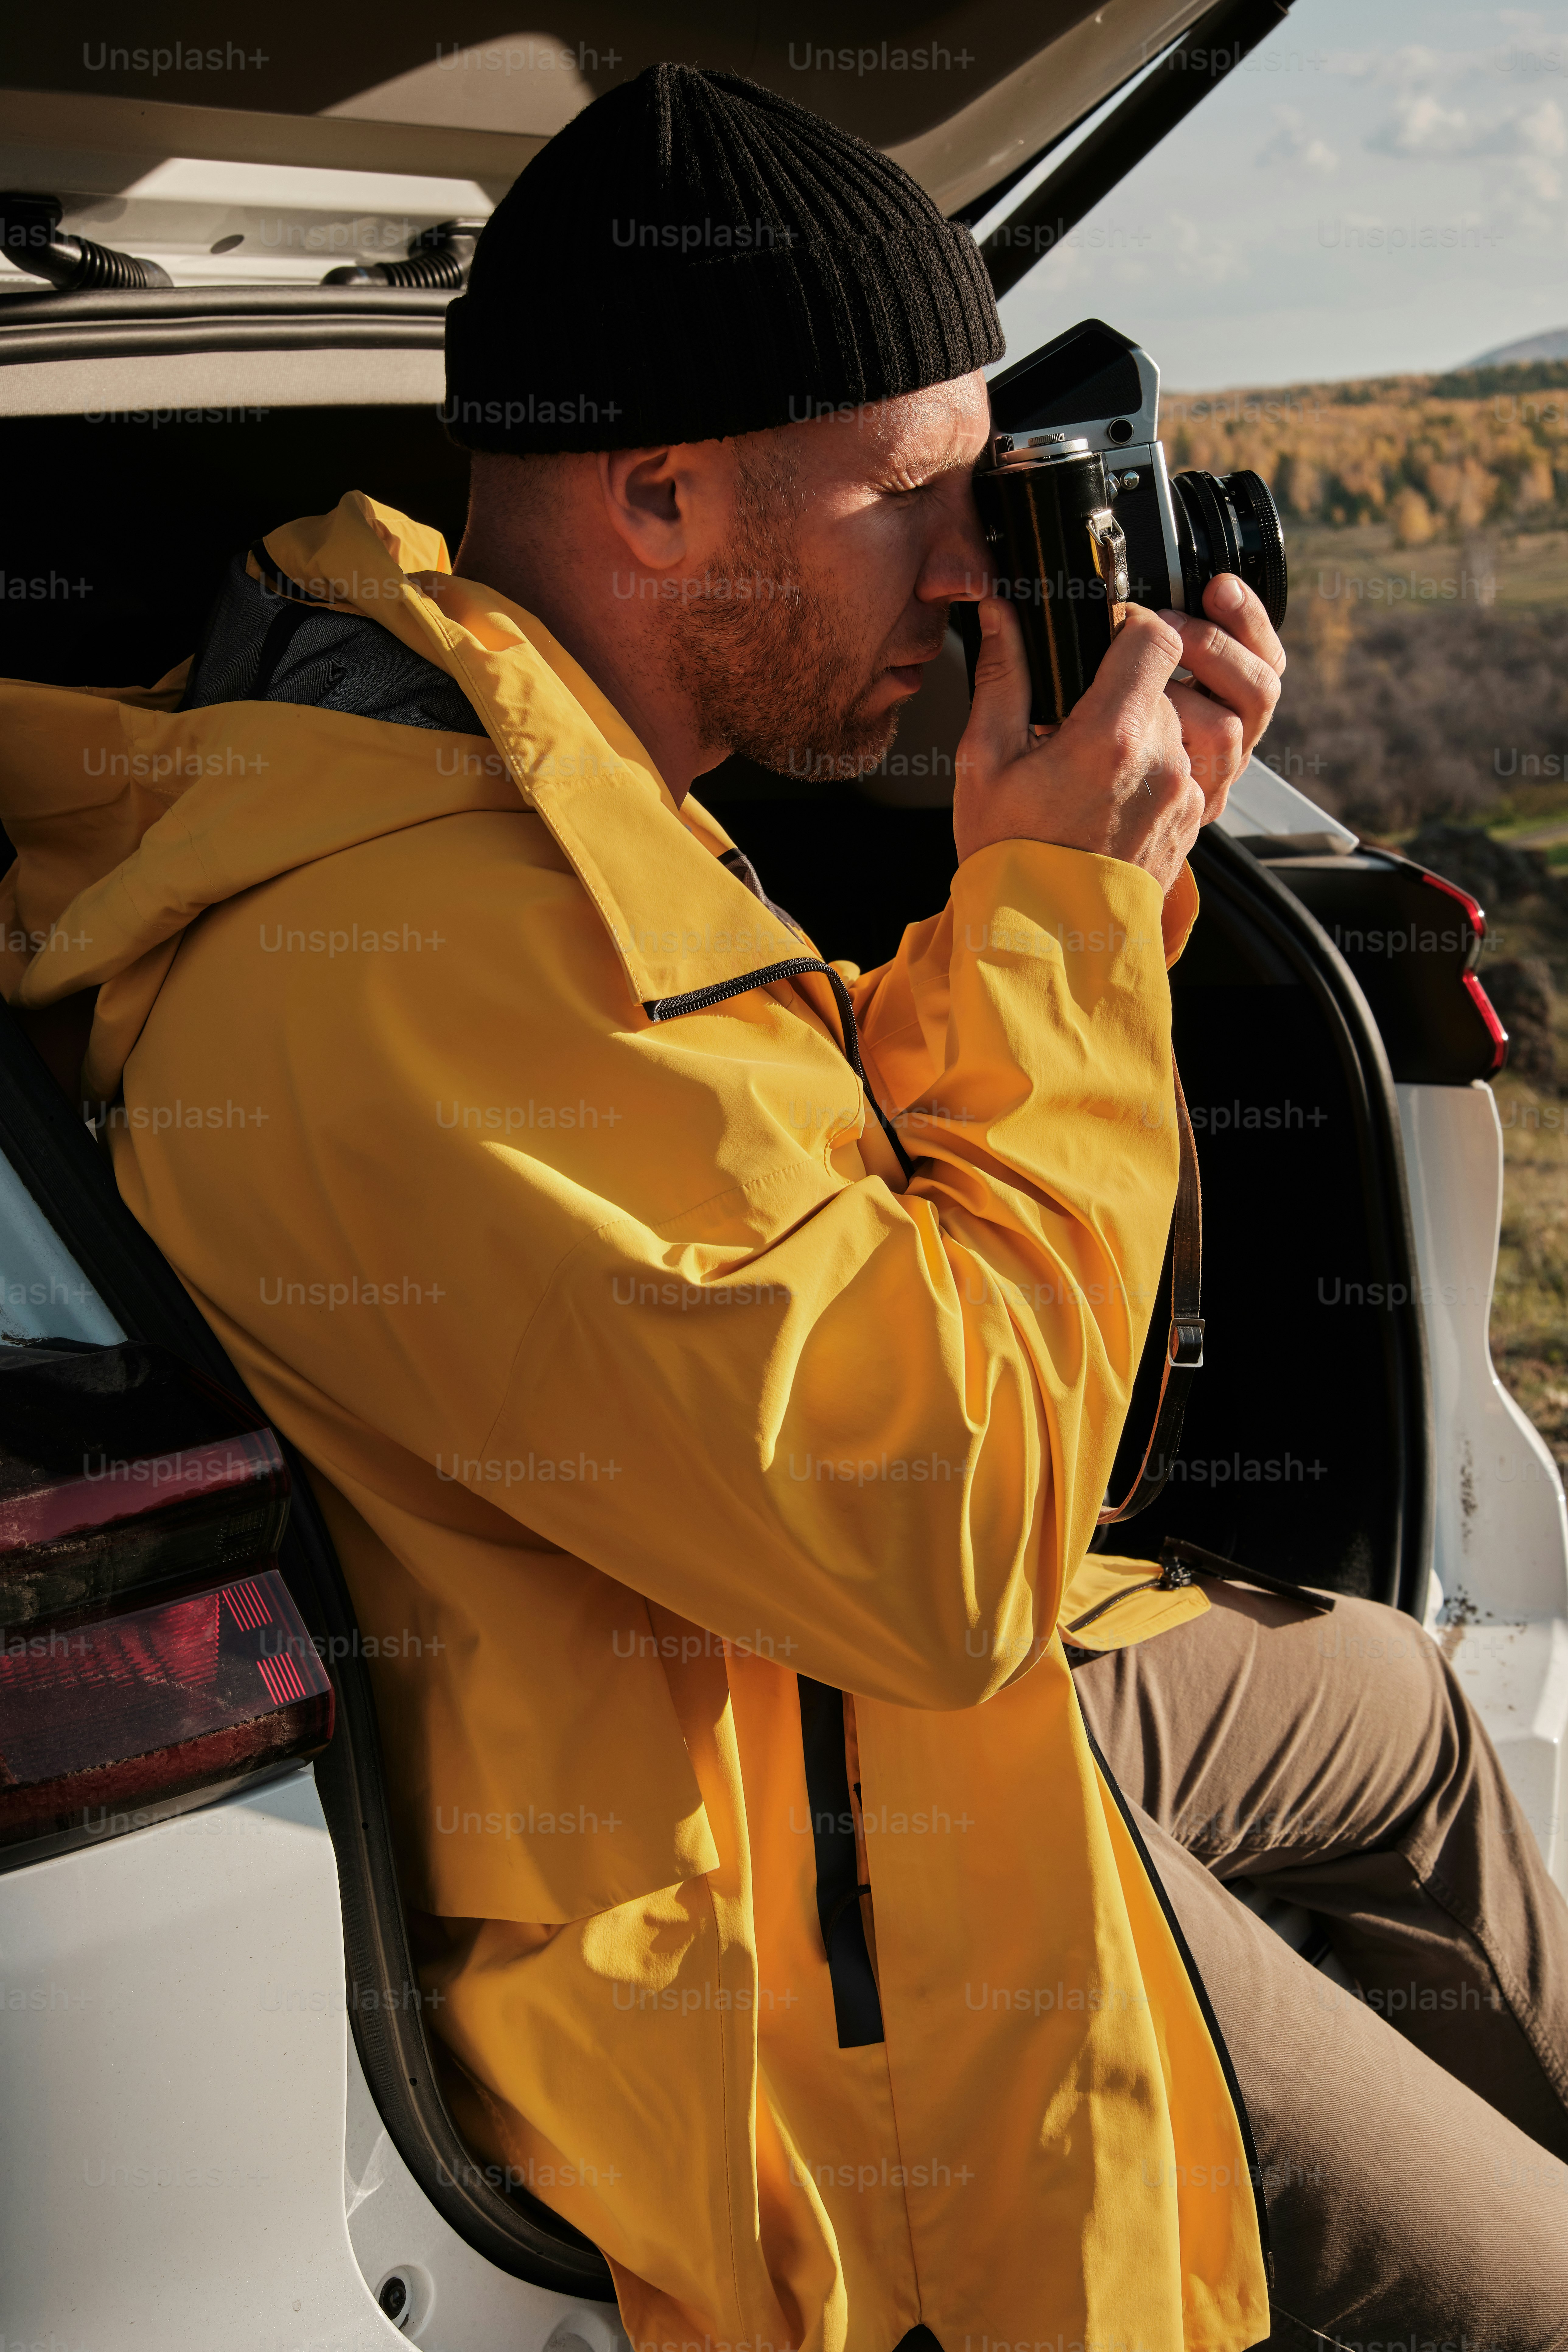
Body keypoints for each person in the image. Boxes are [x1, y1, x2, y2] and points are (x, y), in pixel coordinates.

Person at [2, 62, 1566, 2352]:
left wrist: (1099, 909)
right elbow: (937, 1551)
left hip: (824, 1687)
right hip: (793, 1907)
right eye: (916, 497)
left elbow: (820, 1196)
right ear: (654, 495)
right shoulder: (396, 986)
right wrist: (1050, 910)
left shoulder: (534, 802)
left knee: (1397, 1723)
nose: (966, 575)